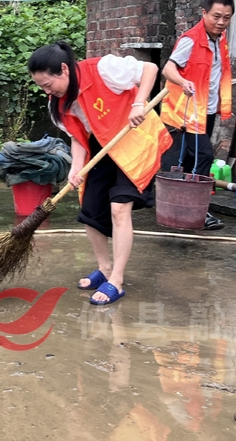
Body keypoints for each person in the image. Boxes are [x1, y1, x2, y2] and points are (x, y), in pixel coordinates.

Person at [29, 41, 171, 305]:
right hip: (101, 144)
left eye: (48, 84)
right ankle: (104, 268)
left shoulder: (104, 69)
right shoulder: (57, 104)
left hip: (134, 136)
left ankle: (116, 280)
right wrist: (75, 168)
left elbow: (150, 69)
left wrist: (138, 104)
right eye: (42, 87)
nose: (47, 91)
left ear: (64, 69)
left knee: (119, 207)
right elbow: (77, 136)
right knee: (90, 210)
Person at [160, 0, 235, 231]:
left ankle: (182, 208)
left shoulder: (220, 40)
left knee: (194, 159)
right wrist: (183, 82)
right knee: (203, 157)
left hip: (207, 111)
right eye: (216, 16)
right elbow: (168, 69)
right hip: (187, 113)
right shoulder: (191, 39)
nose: (221, 22)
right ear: (204, 13)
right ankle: (199, 211)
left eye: (226, 17)